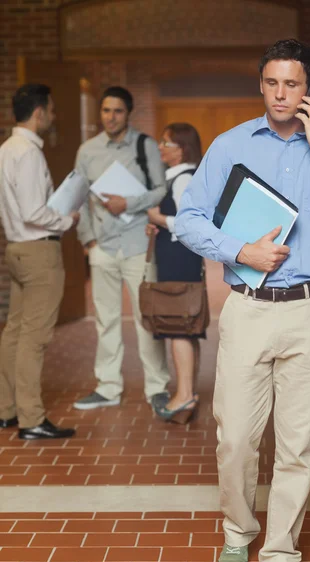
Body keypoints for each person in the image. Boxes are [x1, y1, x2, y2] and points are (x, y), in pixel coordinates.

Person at [175, 39, 310, 562]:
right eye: (271, 83)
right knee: (235, 438)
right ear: (260, 84)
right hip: (249, 309)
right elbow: (188, 219)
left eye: (292, 84)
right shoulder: (230, 145)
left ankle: (281, 549)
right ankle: (238, 528)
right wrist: (241, 251)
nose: (281, 94)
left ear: (308, 88)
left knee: (297, 442)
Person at [74, 86, 170, 410]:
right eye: (105, 110)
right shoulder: (87, 150)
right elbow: (79, 197)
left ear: (127, 114)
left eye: (117, 111)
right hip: (102, 245)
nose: (110, 117)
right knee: (106, 320)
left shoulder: (144, 146)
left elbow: (161, 190)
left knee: (147, 318)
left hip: (138, 245)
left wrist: (127, 202)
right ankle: (108, 387)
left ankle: (157, 387)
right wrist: (87, 240)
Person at [0, 84, 80, 440]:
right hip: (38, 251)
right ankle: (32, 419)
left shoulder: (5, 149)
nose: (53, 116)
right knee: (34, 338)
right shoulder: (29, 153)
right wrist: (68, 221)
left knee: (14, 333)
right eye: (51, 109)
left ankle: (7, 411)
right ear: (38, 113)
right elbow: (34, 211)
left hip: (15, 248)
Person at [146, 123, 205, 424]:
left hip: (179, 262)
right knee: (185, 326)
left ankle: (184, 396)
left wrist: (159, 217)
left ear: (182, 148)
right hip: (180, 260)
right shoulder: (183, 178)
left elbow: (188, 224)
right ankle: (187, 392)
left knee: (179, 327)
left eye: (166, 142)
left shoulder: (183, 179)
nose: (160, 147)